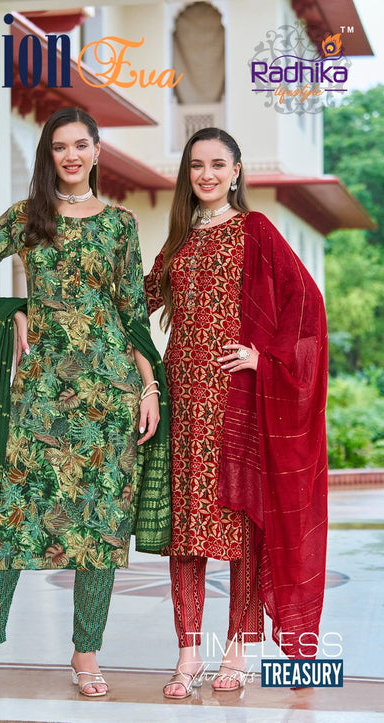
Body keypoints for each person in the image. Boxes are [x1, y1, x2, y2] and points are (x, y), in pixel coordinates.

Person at [0, 107, 164, 703]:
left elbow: (133, 314)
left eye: (81, 145)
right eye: (60, 147)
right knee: (11, 520)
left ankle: (86, 653)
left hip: (110, 393)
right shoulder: (28, 217)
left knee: (100, 527)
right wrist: (9, 308)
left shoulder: (120, 224)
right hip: (40, 393)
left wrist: (149, 388)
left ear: (96, 150)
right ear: (49, 155)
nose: (71, 156)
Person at [144, 127, 328, 697]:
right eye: (196, 165)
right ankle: (187, 657)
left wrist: (263, 357)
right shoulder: (178, 241)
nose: (206, 175)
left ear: (236, 171)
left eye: (217, 164)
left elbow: (307, 305)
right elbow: (132, 305)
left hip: (236, 402)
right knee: (186, 533)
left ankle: (237, 652)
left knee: (241, 527)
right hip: (182, 400)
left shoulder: (256, 230)